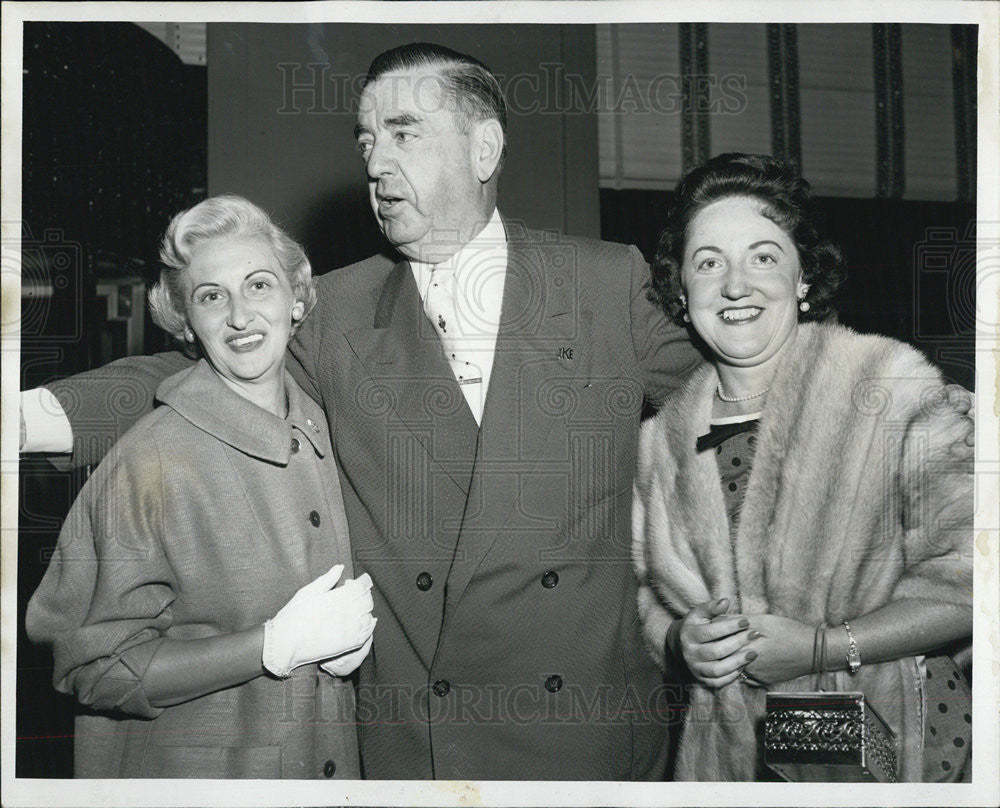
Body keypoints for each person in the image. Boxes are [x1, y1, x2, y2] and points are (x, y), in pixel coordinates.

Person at [21, 43, 701, 780]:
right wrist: (26, 418)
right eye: (368, 140)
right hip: (419, 748)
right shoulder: (341, 309)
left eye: (404, 133)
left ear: (485, 147)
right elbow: (189, 379)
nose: (376, 164)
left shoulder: (603, 282)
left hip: (588, 745)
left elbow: (741, 407)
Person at [631, 153, 973, 782]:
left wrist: (820, 648)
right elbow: (647, 598)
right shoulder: (659, 444)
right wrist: (682, 643)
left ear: (804, 279)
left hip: (891, 748)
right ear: (681, 292)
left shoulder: (894, 391)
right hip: (727, 759)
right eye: (709, 263)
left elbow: (974, 585)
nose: (736, 285)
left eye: (764, 257)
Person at [25, 195, 376, 778]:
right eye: (212, 296)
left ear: (298, 298)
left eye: (259, 286)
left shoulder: (332, 431)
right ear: (186, 321)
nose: (240, 316)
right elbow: (91, 668)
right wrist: (267, 647)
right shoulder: (149, 462)